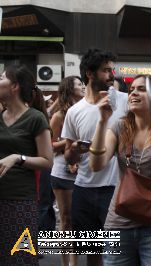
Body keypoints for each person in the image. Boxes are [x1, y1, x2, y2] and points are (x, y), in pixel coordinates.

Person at [89, 74, 151, 265]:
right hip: (119, 222)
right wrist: (102, 121)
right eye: (131, 89)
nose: (133, 93)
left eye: (141, 89)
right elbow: (97, 165)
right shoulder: (119, 126)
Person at [62, 48, 128, 265]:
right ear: (90, 74)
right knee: (93, 253)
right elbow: (69, 158)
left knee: (118, 251)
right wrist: (75, 151)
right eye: (106, 70)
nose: (112, 75)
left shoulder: (125, 101)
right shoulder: (74, 111)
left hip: (117, 188)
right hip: (84, 188)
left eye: (112, 70)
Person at [0, 65, 53, 265]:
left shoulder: (35, 118)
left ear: (14, 86)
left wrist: (17, 158)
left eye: (2, 77)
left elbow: (47, 161)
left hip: (19, 201)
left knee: (19, 258)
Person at [50, 75, 85, 266]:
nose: (83, 86)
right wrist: (70, 141)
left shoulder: (87, 111)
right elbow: (49, 145)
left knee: (79, 220)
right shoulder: (58, 115)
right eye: (79, 84)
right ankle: (68, 263)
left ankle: (75, 260)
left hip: (84, 173)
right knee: (66, 219)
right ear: (69, 89)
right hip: (62, 172)